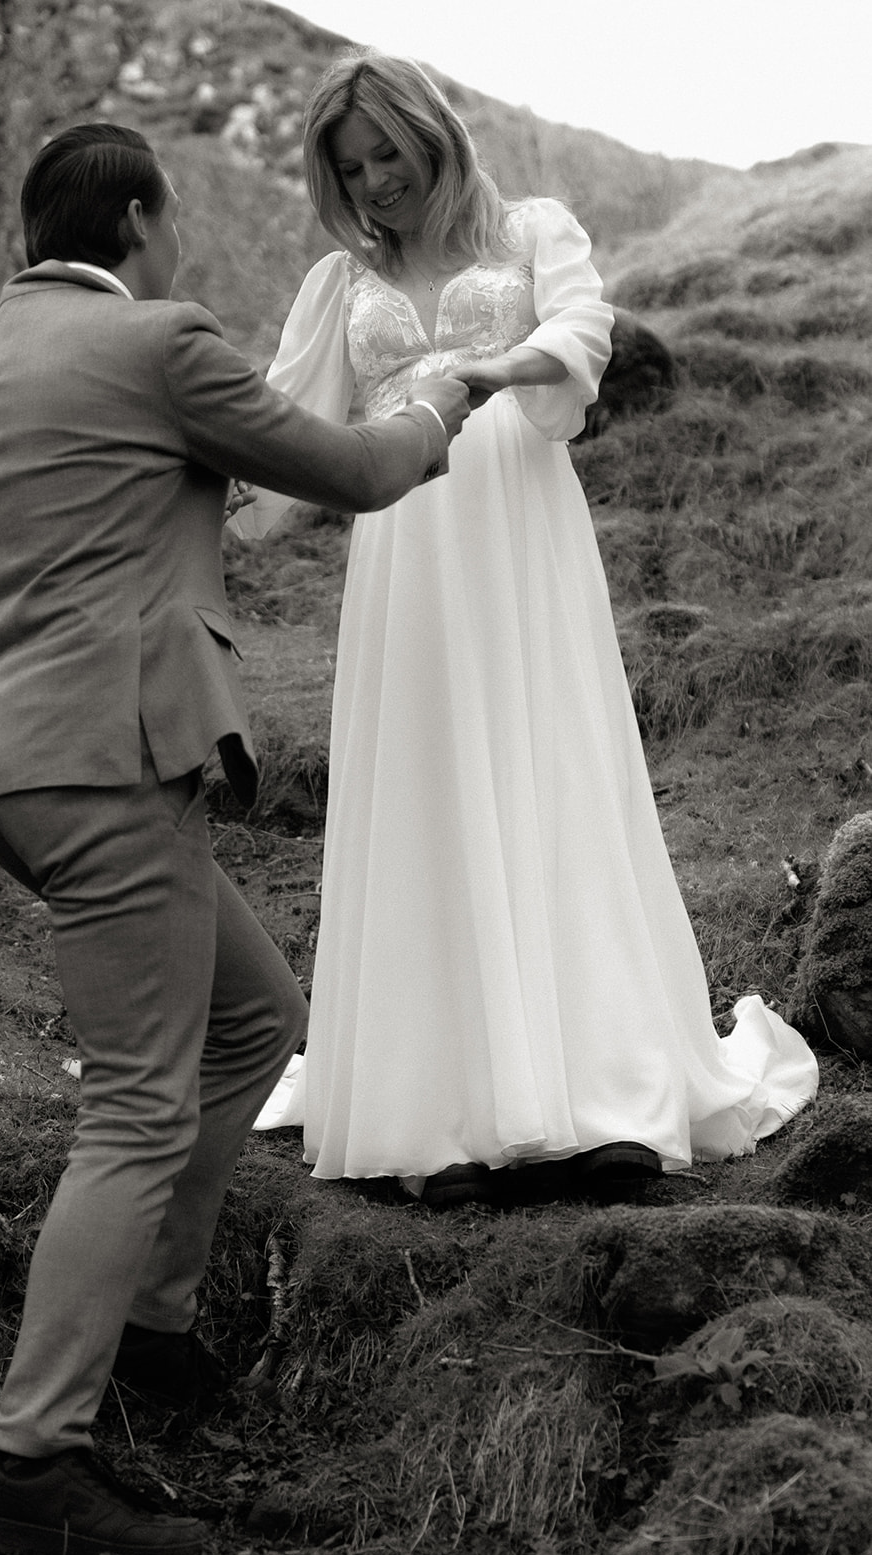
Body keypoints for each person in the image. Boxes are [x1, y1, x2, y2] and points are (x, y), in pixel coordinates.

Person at [0, 121, 470, 1555]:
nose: (176, 246)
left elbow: (114, 518)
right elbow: (353, 469)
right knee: (134, 1111)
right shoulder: (154, 343)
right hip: (110, 761)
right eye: (168, 221)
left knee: (250, 1020)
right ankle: (31, 1463)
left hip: (13, 765)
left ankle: (153, 1332)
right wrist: (444, 398)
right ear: (136, 219)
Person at [249, 52, 817, 1205]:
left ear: (431, 136)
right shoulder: (336, 285)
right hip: (404, 549)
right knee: (429, 783)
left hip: (519, 527)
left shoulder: (529, 234)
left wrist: (480, 372)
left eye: (386, 154)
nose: (373, 183)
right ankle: (438, 1113)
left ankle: (603, 1093)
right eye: (349, 169)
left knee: (549, 768)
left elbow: (580, 337)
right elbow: (276, 440)